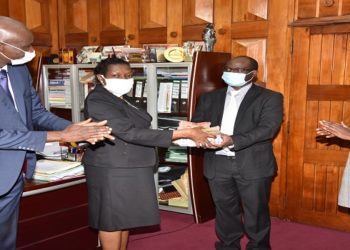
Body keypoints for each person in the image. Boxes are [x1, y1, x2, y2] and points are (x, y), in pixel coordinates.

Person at [0, 16, 114, 250]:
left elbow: (37, 113)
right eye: (24, 47)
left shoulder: (17, 70)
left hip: (15, 173)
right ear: (1, 47)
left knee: (5, 239)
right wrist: (59, 137)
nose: (31, 52)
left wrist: (75, 128)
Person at [82, 57, 215, 250]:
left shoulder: (121, 97)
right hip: (112, 167)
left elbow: (143, 122)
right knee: (111, 219)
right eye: (116, 75)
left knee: (124, 217)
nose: (123, 79)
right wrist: (184, 134)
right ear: (101, 78)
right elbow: (129, 132)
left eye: (127, 75)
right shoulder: (98, 99)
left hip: (131, 163)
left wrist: (182, 125)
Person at [191, 56, 283, 250]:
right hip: (217, 163)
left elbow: (267, 129)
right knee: (224, 210)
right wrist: (196, 134)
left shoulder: (271, 97)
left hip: (253, 163)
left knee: (255, 211)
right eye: (229, 69)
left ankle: (258, 246)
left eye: (239, 71)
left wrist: (233, 139)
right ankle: (228, 245)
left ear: (253, 74)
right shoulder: (210, 97)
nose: (232, 74)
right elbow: (197, 124)